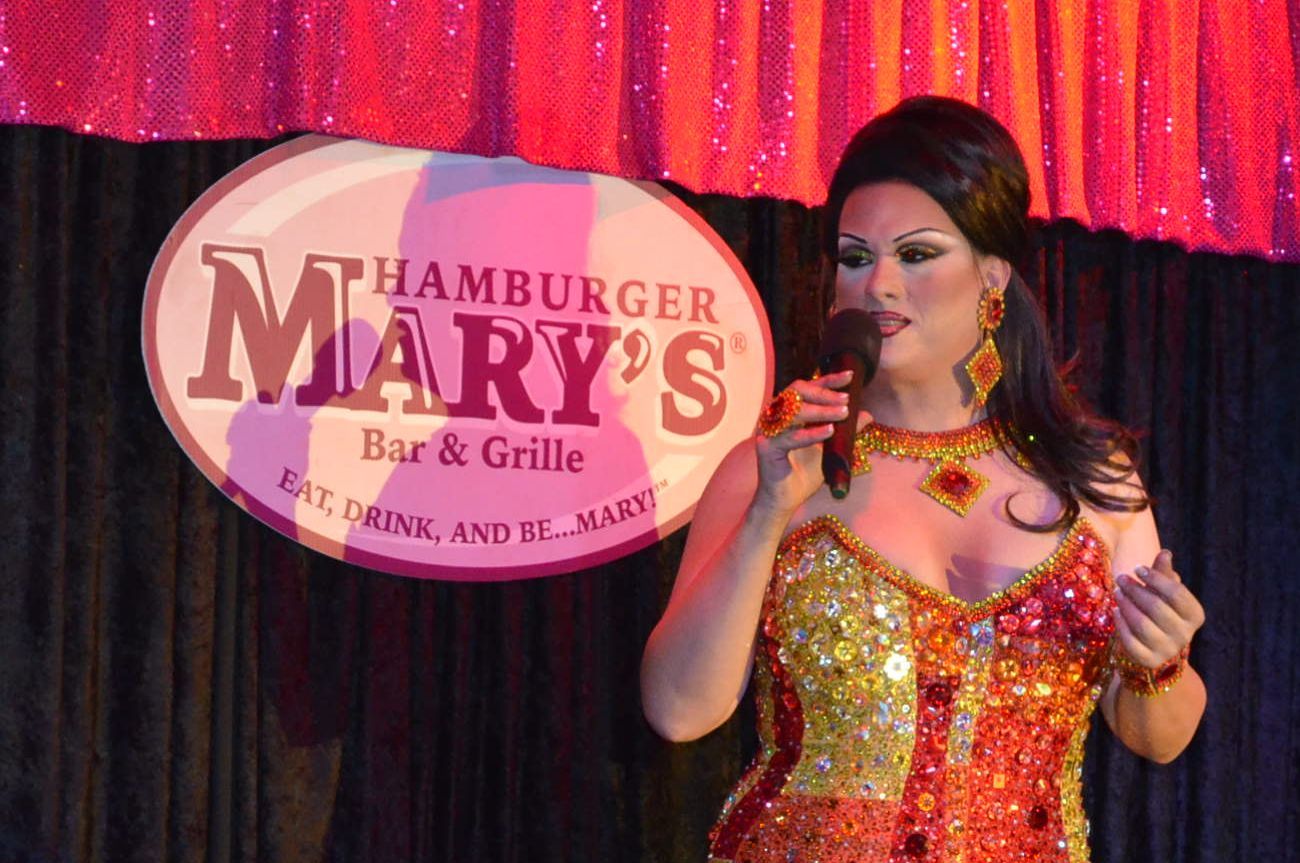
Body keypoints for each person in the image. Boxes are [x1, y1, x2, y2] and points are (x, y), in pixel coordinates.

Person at [639, 96, 1207, 862]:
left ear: (992, 274)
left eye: (916, 254)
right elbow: (679, 710)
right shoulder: (777, 462)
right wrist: (768, 513)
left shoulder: (1092, 479)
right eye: (855, 257)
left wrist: (1159, 660)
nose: (879, 284)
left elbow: (1159, 738)